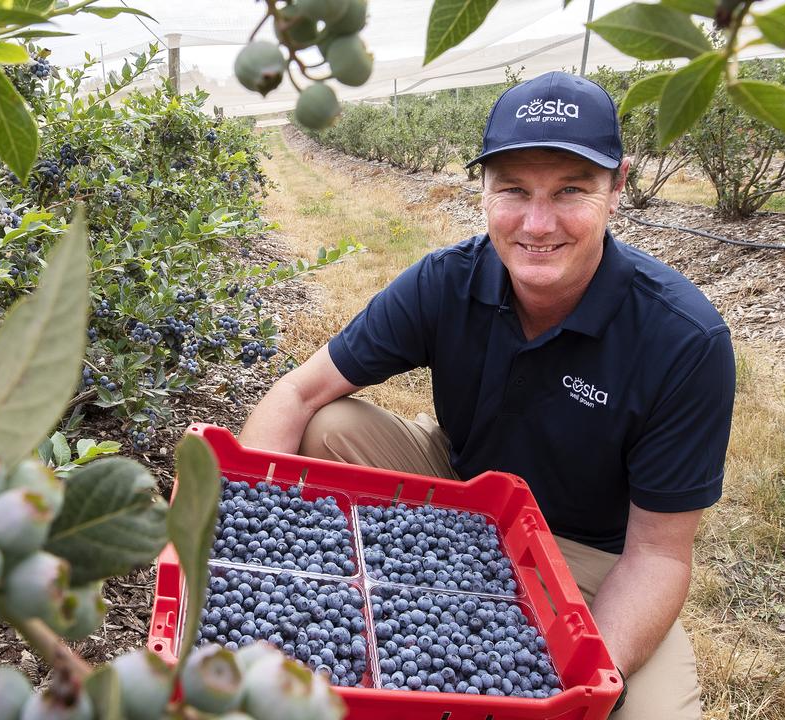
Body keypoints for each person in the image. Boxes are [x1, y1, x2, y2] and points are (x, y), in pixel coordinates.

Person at [239, 71, 735, 718]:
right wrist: (248, 552)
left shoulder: (683, 341)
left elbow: (657, 557)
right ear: (481, 189)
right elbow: (299, 393)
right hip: (464, 495)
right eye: (513, 190)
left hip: (587, 557)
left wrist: (568, 687)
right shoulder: (448, 282)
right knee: (327, 423)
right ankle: (430, 572)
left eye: (570, 191)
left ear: (618, 187)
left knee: (649, 711)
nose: (536, 223)